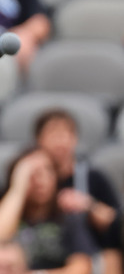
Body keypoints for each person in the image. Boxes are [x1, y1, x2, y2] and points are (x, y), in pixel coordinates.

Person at [0, 148, 97, 273]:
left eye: (48, 170)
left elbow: (82, 268)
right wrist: (17, 190)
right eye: (33, 173)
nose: (41, 180)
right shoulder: (4, 215)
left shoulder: (68, 218)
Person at [33, 108, 122, 273]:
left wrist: (89, 205)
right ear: (39, 140)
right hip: (40, 253)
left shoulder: (93, 177)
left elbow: (115, 224)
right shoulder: (32, 178)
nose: (60, 141)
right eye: (53, 134)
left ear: (75, 139)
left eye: (66, 134)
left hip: (89, 258)